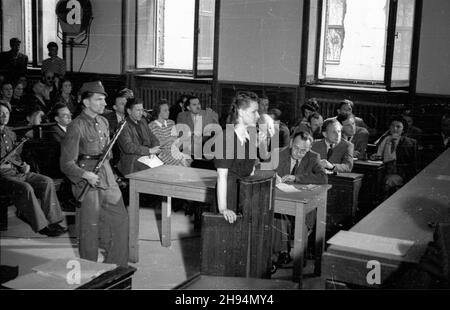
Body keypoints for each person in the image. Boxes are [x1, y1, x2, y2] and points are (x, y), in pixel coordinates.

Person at [60, 81, 129, 266]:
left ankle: (117, 266)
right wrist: (84, 175)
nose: (104, 103)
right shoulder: (76, 126)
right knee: (89, 229)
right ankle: (88, 270)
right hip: (86, 182)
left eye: (104, 100)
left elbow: (108, 154)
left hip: (106, 176)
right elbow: (66, 164)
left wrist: (112, 174)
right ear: (85, 102)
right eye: (99, 99)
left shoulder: (104, 121)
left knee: (120, 220)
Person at [262, 131, 327, 270]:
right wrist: (273, 175)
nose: (298, 153)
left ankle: (297, 259)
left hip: (302, 204)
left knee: (301, 221)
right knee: (277, 215)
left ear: (309, 149)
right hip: (281, 200)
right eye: (296, 148)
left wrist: (297, 178)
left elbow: (323, 178)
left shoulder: (313, 157)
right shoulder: (278, 153)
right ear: (291, 143)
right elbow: (260, 169)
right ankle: (280, 254)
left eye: (303, 150)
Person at [0, 101, 66, 236]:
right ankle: (42, 226)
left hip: (17, 171)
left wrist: (24, 165)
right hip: (2, 176)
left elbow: (16, 156)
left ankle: (53, 221)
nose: (4, 116)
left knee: (46, 181)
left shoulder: (10, 133)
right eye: (1, 113)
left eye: (6, 113)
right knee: (26, 188)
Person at [213, 91, 260, 224]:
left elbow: (250, 170)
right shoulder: (226, 137)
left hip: (245, 193)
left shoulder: (250, 136)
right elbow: (221, 176)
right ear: (241, 112)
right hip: (229, 195)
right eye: (254, 111)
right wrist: (223, 209)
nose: (258, 115)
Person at [371, 115, 417, 198]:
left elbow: (414, 163)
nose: (395, 129)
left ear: (403, 130)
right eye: (392, 126)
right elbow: (379, 155)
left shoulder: (410, 143)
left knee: (388, 182)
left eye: (398, 127)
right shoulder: (384, 139)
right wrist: (375, 157)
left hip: (400, 173)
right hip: (383, 171)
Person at [117, 98, 160, 176]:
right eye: (138, 110)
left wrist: (155, 147)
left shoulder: (143, 121)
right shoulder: (123, 125)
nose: (141, 113)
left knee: (163, 168)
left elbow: (152, 137)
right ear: (129, 111)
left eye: (142, 110)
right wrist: (149, 150)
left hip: (147, 157)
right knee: (154, 173)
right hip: (132, 159)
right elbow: (128, 147)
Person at [149, 100, 192, 167]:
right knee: (183, 164)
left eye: (168, 110)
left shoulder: (171, 123)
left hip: (174, 151)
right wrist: (169, 139)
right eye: (165, 110)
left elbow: (176, 141)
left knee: (188, 160)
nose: (168, 112)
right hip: (162, 154)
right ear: (158, 112)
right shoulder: (152, 126)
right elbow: (156, 144)